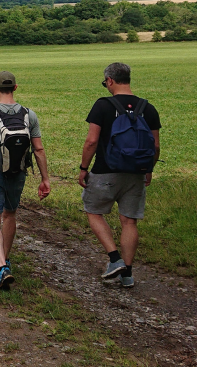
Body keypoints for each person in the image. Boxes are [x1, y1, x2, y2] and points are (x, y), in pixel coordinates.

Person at [77, 62, 161, 288]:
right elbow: (155, 146)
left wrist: (83, 168)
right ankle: (128, 274)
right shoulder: (148, 108)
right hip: (136, 173)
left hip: (105, 169)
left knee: (93, 212)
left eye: (105, 82)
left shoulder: (102, 106)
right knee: (129, 221)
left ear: (110, 81)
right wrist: (149, 169)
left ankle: (115, 260)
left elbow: (92, 141)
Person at [0, 71, 51, 291]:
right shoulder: (29, 114)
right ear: (15, 88)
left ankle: (2, 266)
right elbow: (39, 149)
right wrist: (45, 179)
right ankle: (5, 259)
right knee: (10, 214)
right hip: (19, 171)